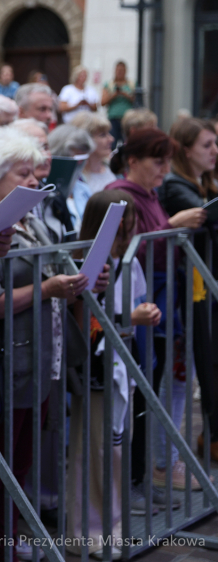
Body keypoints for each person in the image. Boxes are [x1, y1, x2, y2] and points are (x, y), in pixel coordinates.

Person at [0, 126, 106, 562]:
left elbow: (53, 273)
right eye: (24, 173)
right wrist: (50, 289)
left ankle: (5, 541)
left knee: (19, 463)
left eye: (33, 173)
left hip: (37, 358)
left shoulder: (31, 220)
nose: (35, 182)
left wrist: (80, 278)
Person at [106, 128, 209, 494]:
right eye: (157, 160)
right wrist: (173, 226)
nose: (165, 167)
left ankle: (140, 477)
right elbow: (126, 252)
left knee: (149, 390)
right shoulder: (118, 195)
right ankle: (129, 482)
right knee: (133, 396)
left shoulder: (148, 195)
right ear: (132, 161)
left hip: (160, 304)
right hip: (136, 309)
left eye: (168, 159)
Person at [67, 189, 161, 553]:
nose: (131, 228)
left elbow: (133, 304)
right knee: (92, 450)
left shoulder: (128, 261)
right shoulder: (87, 262)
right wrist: (129, 318)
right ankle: (84, 530)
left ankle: (112, 523)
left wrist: (142, 313)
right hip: (97, 368)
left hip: (124, 364)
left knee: (117, 448)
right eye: (124, 222)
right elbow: (83, 318)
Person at [159, 118, 218, 464]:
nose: (214, 151)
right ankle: (166, 459)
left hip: (202, 288)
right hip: (188, 289)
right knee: (188, 372)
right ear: (184, 149)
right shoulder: (177, 186)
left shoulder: (202, 183)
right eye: (207, 145)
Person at [101, 60, 136, 140]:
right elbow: (103, 102)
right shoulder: (109, 84)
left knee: (127, 140)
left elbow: (136, 100)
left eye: (122, 70)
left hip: (128, 119)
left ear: (125, 71)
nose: (119, 72)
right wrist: (114, 95)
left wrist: (124, 94)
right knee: (112, 141)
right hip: (113, 118)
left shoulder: (131, 84)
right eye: (118, 70)